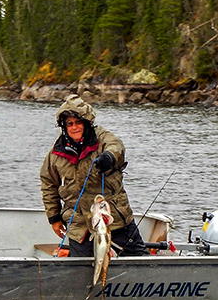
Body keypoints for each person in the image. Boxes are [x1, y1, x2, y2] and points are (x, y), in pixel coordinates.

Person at [39, 95, 148, 257]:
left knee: (140, 263)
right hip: (79, 227)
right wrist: (54, 217)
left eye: (78, 122)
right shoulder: (55, 153)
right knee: (80, 273)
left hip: (114, 221)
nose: (74, 127)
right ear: (64, 126)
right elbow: (48, 184)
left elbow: (116, 146)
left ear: (87, 122)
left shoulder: (103, 137)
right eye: (70, 124)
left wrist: (109, 157)